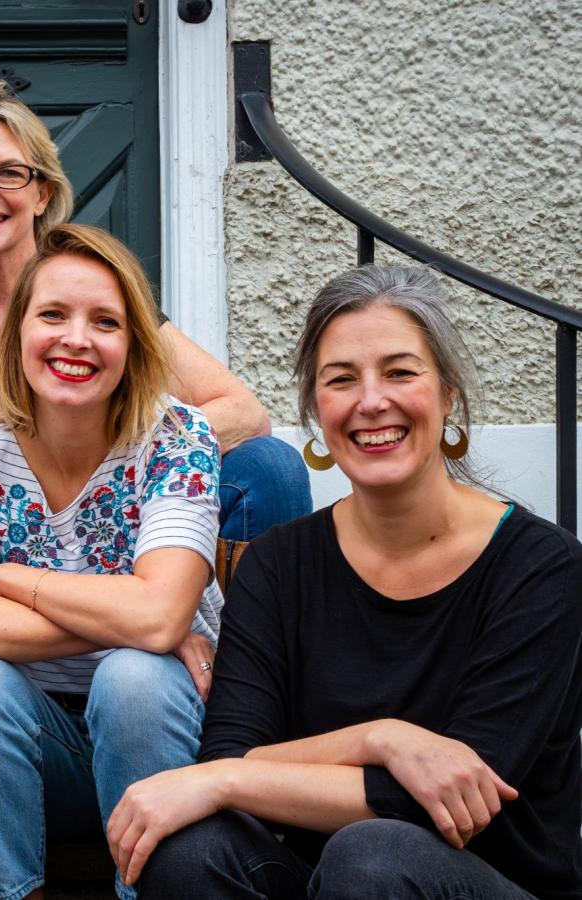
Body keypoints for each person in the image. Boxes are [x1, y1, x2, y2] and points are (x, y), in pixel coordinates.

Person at [108, 265, 582, 899]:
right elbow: (234, 753)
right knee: (191, 851)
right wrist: (380, 739)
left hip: (487, 881)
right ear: (316, 411)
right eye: (341, 380)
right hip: (329, 881)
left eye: (400, 372)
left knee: (374, 854)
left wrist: (221, 780)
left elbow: (459, 801)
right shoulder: (279, 566)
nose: (371, 401)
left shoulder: (541, 569)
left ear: (447, 394)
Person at [0, 223, 224, 900]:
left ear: (133, 342)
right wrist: (141, 617)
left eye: (104, 321)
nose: (76, 339)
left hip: (165, 740)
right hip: (29, 751)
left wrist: (16, 582)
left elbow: (162, 617)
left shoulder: (176, 438)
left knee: (136, 678)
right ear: (16, 332)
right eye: (52, 315)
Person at [0, 78, 309, 540]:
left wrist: (106, 456)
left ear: (42, 194)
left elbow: (243, 413)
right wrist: (8, 453)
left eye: (11, 173)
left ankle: (250, 613)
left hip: (119, 511)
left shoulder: (101, 297)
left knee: (271, 466)